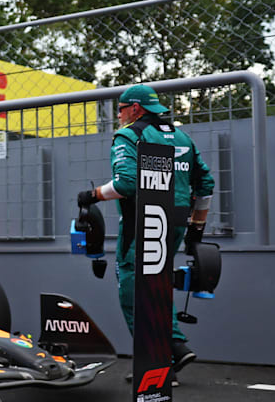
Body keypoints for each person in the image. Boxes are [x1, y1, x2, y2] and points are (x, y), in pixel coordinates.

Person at [77, 84, 213, 375]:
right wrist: (197, 228)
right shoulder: (182, 137)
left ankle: (161, 357)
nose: (119, 115)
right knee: (157, 281)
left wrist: (93, 195)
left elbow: (126, 183)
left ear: (135, 108)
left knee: (131, 287)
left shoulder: (129, 135)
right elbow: (206, 186)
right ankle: (174, 350)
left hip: (143, 223)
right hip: (175, 223)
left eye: (121, 109)